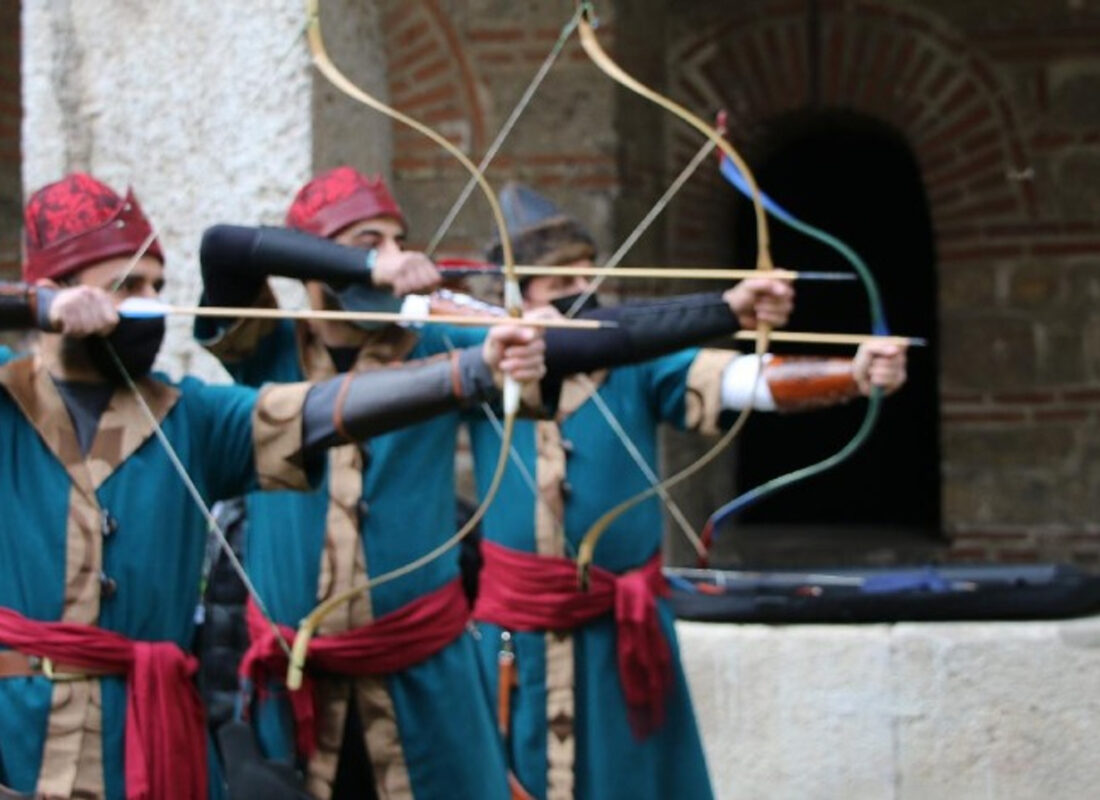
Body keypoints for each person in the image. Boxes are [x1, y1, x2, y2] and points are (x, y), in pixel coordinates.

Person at [195, 166, 799, 800]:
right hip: (295, 685)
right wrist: (370, 267)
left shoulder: (437, 338)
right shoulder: (263, 346)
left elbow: (584, 340)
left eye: (399, 240)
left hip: (422, 679)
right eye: (370, 241)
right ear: (313, 262)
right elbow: (223, 247)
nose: (397, 254)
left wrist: (724, 309)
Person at [0, 172, 544, 800]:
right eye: (127, 287)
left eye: (157, 286)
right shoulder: (9, 397)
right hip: (19, 732)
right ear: (58, 291)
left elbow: (319, 410)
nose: (151, 304)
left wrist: (475, 367)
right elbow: (227, 248)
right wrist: (36, 307)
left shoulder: (194, 415)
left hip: (151, 738)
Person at [466, 183, 908, 800]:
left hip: (619, 628)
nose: (582, 291)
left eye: (589, 275)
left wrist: (852, 373)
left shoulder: (634, 357)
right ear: (515, 295)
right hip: (517, 631)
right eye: (561, 281)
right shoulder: (479, 362)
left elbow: (742, 380)